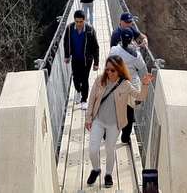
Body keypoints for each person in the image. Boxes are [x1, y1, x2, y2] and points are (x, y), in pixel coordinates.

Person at [85, 56, 154, 189]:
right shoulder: (100, 80)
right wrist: (88, 118)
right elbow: (91, 100)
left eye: (113, 70)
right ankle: (96, 170)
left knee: (109, 149)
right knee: (93, 150)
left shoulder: (125, 84)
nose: (109, 73)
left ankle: (108, 174)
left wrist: (145, 84)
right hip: (98, 120)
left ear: (119, 70)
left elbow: (140, 96)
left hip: (114, 124)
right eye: (107, 69)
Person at [108, 29, 148, 144]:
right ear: (131, 39)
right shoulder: (136, 54)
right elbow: (142, 68)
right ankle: (125, 137)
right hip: (130, 85)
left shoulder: (114, 50)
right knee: (129, 112)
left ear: (120, 38)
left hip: (115, 83)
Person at [63, 11, 99, 109]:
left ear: (84, 20)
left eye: (81, 22)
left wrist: (96, 63)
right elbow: (66, 42)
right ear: (74, 20)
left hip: (87, 59)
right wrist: (67, 55)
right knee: (75, 77)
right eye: (77, 21)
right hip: (75, 57)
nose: (79, 24)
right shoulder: (70, 28)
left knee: (84, 78)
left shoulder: (90, 30)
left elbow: (95, 47)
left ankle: (84, 100)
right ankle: (78, 91)